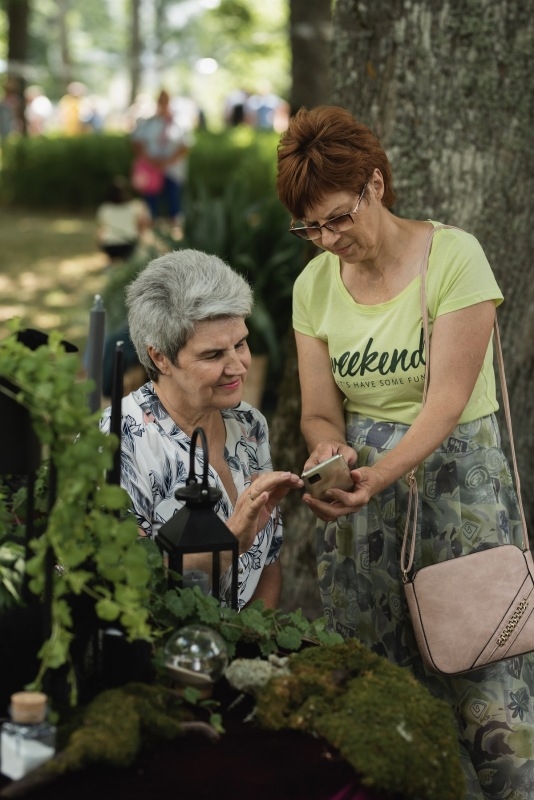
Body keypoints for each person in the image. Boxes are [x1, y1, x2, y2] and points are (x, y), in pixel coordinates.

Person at [276, 105, 534, 798]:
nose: (327, 239)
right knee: (384, 682)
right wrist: (329, 449)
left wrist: (380, 475)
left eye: (337, 217)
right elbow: (321, 407)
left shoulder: (455, 256)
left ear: (376, 185)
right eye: (310, 228)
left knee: (482, 664)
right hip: (366, 510)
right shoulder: (312, 288)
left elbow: (447, 401)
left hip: (458, 492)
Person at [100, 249, 303, 610]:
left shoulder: (247, 422)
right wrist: (229, 544)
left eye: (240, 344)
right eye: (212, 355)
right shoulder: (119, 442)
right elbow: (122, 588)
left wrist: (253, 645)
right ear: (159, 356)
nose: (239, 367)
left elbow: (268, 560)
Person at [130, 89, 193, 233]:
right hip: (151, 169)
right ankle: (152, 226)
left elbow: (185, 146)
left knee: (173, 198)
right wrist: (151, 160)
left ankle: (175, 227)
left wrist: (168, 161)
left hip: (173, 169)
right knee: (151, 199)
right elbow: (137, 143)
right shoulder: (148, 122)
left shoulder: (179, 122)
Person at [95, 176, 151, 266]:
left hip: (110, 245)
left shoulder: (105, 208)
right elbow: (142, 226)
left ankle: (111, 264)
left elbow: (102, 228)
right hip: (128, 243)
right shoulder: (135, 206)